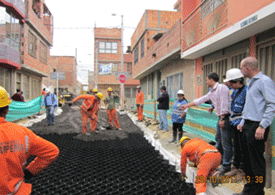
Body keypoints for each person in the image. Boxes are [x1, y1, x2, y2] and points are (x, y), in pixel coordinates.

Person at [0, 86, 59, 195]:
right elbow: (52, 151)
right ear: (7, 109)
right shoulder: (22, 132)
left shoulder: (51, 96)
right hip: (17, 191)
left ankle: (51, 122)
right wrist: (28, 172)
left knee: (51, 115)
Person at [234, 57, 275, 195]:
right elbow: (249, 105)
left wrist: (263, 126)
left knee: (256, 161)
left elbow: (272, 104)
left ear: (247, 68)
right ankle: (249, 190)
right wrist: (242, 121)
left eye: (241, 68)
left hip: (257, 126)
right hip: (248, 125)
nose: (240, 71)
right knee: (248, 161)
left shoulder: (264, 81)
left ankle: (257, 192)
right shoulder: (251, 82)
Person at [180, 72, 232, 175]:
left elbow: (224, 104)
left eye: (207, 80)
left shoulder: (221, 88)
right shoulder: (212, 92)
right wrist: (187, 105)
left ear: (211, 80)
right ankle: (218, 160)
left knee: (226, 143)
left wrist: (223, 118)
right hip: (220, 117)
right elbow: (200, 100)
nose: (206, 81)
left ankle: (226, 165)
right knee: (218, 139)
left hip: (226, 117)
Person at [223, 68, 247, 178]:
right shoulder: (235, 92)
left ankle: (242, 170)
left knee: (243, 147)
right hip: (234, 124)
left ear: (238, 81)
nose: (230, 85)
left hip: (242, 124)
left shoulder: (247, 91)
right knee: (236, 146)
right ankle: (235, 167)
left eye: (232, 83)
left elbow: (248, 110)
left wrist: (242, 122)